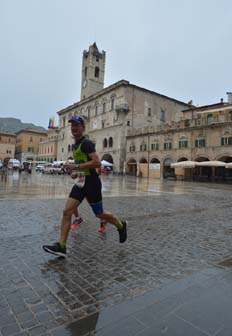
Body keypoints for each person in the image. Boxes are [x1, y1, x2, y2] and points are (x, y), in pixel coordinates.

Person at [43, 115, 127, 257]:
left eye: (77, 125)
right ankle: (62, 245)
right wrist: (75, 172)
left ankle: (120, 225)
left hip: (92, 183)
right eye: (72, 125)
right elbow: (82, 165)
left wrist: (76, 166)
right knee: (67, 211)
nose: (74, 128)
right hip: (81, 182)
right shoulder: (76, 145)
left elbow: (97, 163)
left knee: (99, 213)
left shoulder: (86, 143)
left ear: (83, 127)